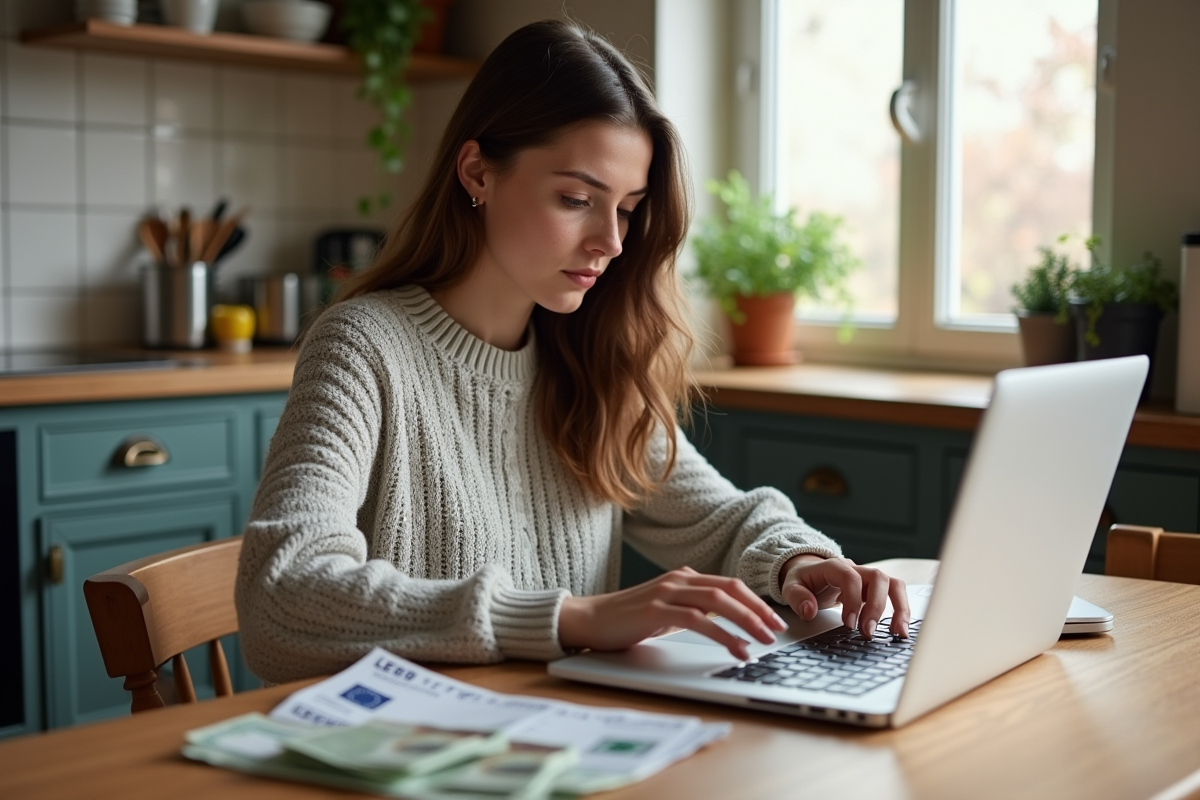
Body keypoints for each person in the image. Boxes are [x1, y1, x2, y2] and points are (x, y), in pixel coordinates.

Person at [236, 19, 910, 685]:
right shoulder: (363, 346)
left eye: (626, 209)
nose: (611, 242)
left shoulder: (587, 359)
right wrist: (570, 619)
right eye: (577, 199)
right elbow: (282, 592)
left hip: (554, 741)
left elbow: (723, 521)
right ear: (477, 173)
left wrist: (798, 561)